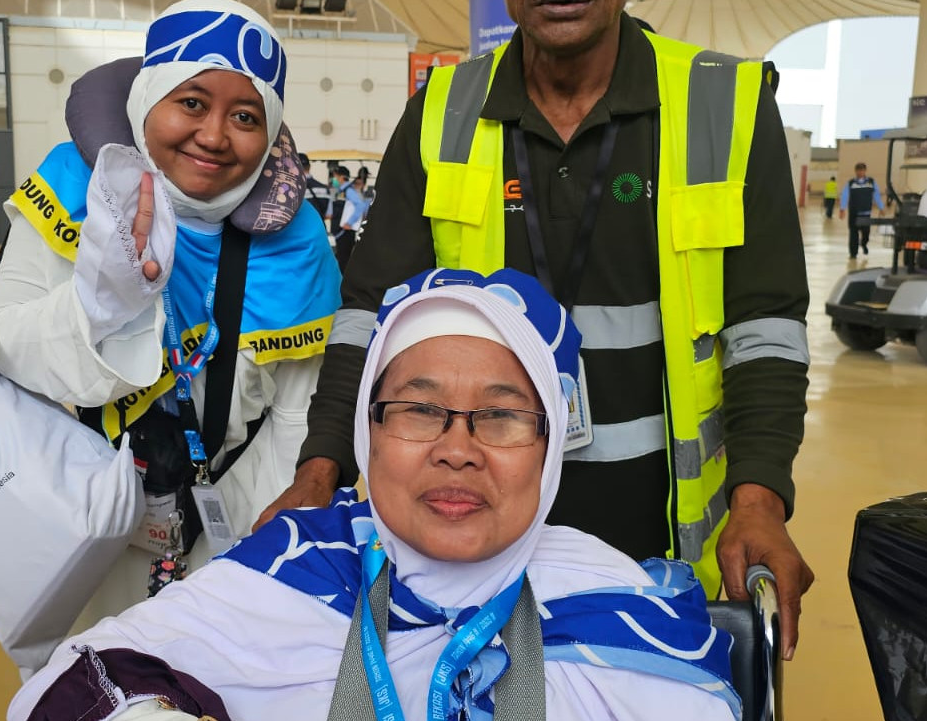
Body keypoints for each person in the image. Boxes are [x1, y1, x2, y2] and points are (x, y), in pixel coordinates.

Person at [263, 0, 815, 662]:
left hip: (661, 559)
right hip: (473, 546)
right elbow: (371, 315)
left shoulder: (725, 104)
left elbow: (766, 331)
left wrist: (759, 499)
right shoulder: (441, 111)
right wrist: (321, 468)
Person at [8, 268, 741, 721]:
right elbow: (81, 681)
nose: (457, 448)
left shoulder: (615, 606)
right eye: (419, 409)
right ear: (367, 431)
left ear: (550, 448)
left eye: (501, 415)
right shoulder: (295, 567)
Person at [0, 0, 340, 621]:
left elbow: (294, 411)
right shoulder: (71, 193)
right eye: (191, 102)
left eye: (245, 116)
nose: (214, 136)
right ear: (147, 98)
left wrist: (262, 547)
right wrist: (98, 305)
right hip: (78, 512)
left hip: (233, 511)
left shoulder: (300, 242)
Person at [839, 162, 884, 258]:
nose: (860, 172)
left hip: (866, 214)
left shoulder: (871, 182)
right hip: (854, 214)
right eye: (858, 170)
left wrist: (881, 207)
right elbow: (845, 195)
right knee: (853, 234)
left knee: (866, 234)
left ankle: (864, 244)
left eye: (862, 170)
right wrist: (842, 209)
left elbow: (876, 195)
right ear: (855, 171)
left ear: (865, 171)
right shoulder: (851, 183)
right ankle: (853, 253)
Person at [334, 167, 371, 271]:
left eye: (335, 176)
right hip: (343, 230)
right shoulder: (343, 190)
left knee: (344, 259)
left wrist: (349, 222)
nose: (334, 179)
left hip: (346, 230)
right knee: (342, 258)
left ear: (341, 177)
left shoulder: (348, 190)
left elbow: (361, 205)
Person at [299, 152, 334, 233]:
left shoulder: (295, 190)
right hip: (320, 231)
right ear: (309, 166)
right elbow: (329, 215)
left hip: (302, 231)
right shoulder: (325, 189)